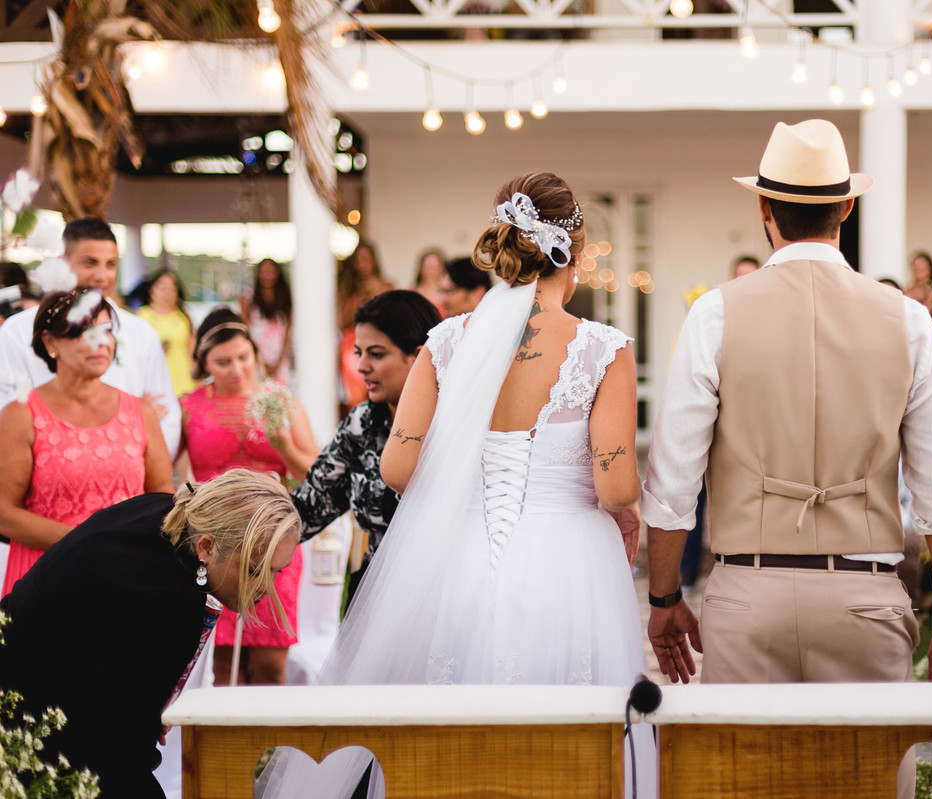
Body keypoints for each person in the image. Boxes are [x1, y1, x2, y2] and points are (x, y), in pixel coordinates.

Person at [257, 171, 653, 798]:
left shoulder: (446, 342)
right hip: (567, 567)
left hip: (457, 560)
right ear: (571, 254)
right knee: (564, 757)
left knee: (448, 753)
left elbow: (399, 469)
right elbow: (616, 487)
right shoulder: (602, 348)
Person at [641, 122, 932, 746]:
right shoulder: (907, 320)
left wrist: (663, 600)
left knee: (741, 786)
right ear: (846, 206)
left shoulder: (716, 312)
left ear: (764, 207)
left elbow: (671, 485)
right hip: (865, 596)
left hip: (748, 595)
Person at [0, 470, 301, 798]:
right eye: (255, 570)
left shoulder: (168, 511)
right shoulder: (168, 599)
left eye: (277, 570)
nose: (266, 588)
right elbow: (122, 743)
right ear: (206, 547)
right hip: (27, 714)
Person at [0, 289, 174, 595]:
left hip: (126, 575)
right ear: (50, 342)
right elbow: (4, 513)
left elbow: (162, 498)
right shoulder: (21, 415)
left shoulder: (140, 412)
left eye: (106, 330)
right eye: (84, 331)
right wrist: (87, 540)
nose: (101, 342)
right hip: (47, 578)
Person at [180, 308, 319, 686]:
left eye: (244, 357)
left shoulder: (281, 401)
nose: (237, 369)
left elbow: (316, 472)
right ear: (204, 361)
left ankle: (274, 746)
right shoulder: (189, 406)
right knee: (222, 665)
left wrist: (284, 446)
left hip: (275, 539)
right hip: (217, 541)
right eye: (223, 362)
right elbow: (171, 473)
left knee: (271, 666)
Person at [292, 289, 442, 605]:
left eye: (376, 354)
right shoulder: (362, 424)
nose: (361, 367)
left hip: (443, 600)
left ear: (419, 356)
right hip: (376, 597)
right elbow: (308, 506)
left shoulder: (457, 427)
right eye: (359, 353)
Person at [0, 218, 181, 458]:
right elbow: (8, 410)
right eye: (90, 263)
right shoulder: (18, 331)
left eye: (111, 264)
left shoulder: (141, 333)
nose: (101, 276)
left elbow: (166, 416)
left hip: (132, 477)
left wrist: (143, 473)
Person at [680, 254, 762, 591]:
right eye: (738, 276)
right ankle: (686, 571)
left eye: (750, 277)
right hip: (710, 420)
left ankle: (743, 572)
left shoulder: (770, 322)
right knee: (694, 496)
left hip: (749, 430)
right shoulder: (712, 317)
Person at [337, 241, 395, 409]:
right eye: (359, 259)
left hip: (381, 341)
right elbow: (342, 322)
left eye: (367, 258)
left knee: (383, 390)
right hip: (353, 345)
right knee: (357, 393)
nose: (363, 263)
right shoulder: (347, 290)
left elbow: (394, 317)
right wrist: (358, 300)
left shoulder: (387, 285)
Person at [137, 269, 196, 397]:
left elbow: (193, 353)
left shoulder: (184, 317)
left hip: (184, 383)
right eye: (162, 287)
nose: (167, 292)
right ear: (151, 289)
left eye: (171, 288)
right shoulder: (141, 316)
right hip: (152, 385)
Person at [240, 258, 293, 386]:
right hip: (257, 351)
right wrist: (258, 358)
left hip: (279, 353)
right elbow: (245, 328)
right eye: (264, 271)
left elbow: (288, 329)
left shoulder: (284, 297)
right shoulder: (248, 297)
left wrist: (280, 359)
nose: (268, 275)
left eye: (271, 271)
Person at [411, 247, 447, 314]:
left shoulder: (448, 295)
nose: (430, 270)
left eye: (434, 266)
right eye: (427, 266)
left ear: (442, 268)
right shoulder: (412, 293)